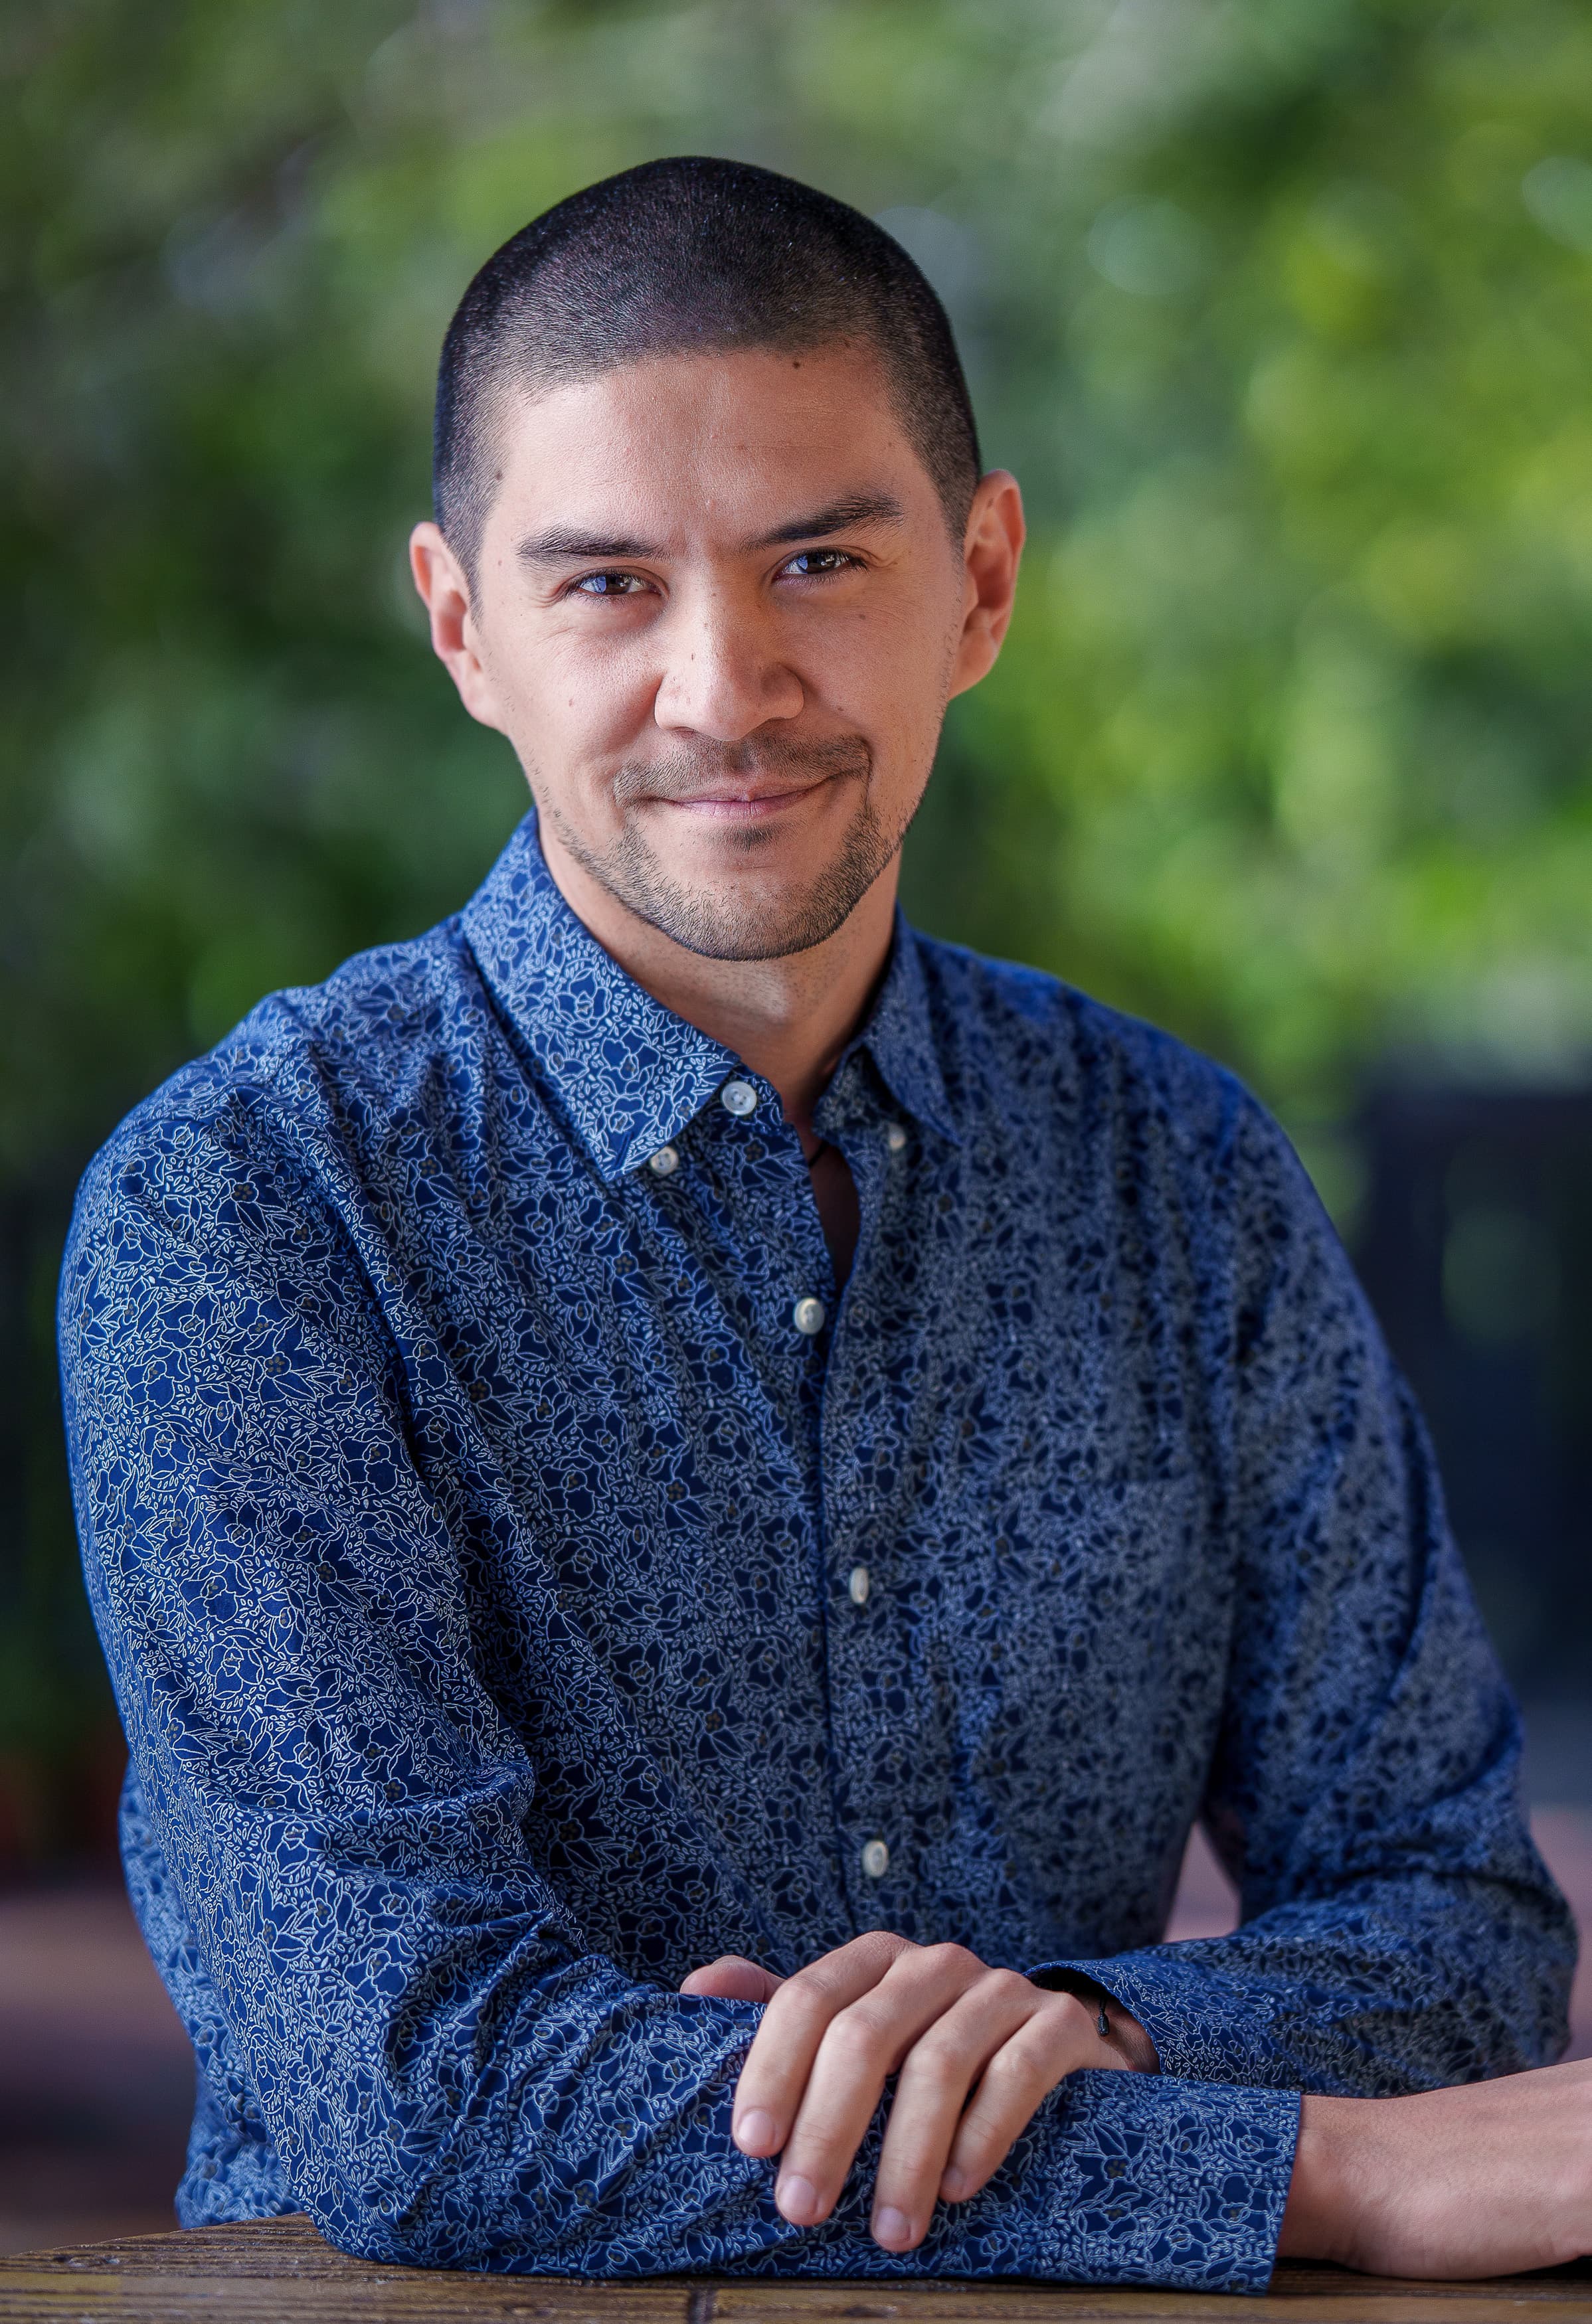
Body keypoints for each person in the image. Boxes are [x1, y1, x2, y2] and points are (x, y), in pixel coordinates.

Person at [59, 157, 1589, 2296]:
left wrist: (1101, 2027)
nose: (723, 684)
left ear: (978, 579)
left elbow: (1460, 1925)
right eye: (606, 585)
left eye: (814, 559)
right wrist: (1310, 2173)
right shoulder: (248, 1209)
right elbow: (420, 2088)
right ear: (460, 624)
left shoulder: (1181, 1169)